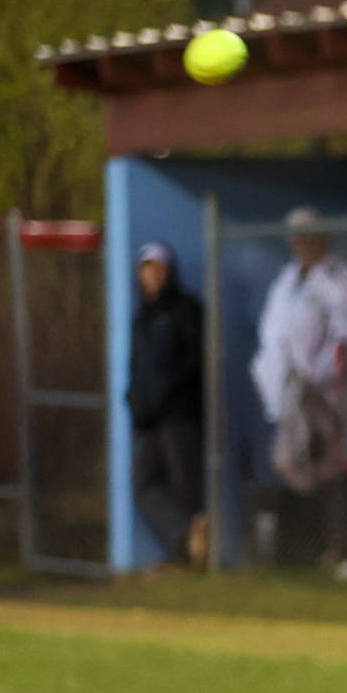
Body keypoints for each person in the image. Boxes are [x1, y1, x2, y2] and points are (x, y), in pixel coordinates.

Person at [250, 206, 347, 566]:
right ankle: (309, 544)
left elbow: (346, 334)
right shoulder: (286, 279)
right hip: (287, 389)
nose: (301, 242)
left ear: (323, 237)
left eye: (308, 235)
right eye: (296, 236)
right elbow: (272, 334)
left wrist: (320, 372)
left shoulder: (339, 277)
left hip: (325, 389)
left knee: (329, 461)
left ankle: (335, 546)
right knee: (293, 461)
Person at [126, 241, 206, 566]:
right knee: (144, 483)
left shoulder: (186, 309)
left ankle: (195, 554)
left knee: (184, 484)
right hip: (150, 420)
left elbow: (194, 360)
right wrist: (134, 401)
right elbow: (138, 367)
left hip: (179, 415)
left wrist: (168, 393)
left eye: (159, 269)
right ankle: (185, 543)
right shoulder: (143, 316)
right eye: (146, 269)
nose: (152, 276)